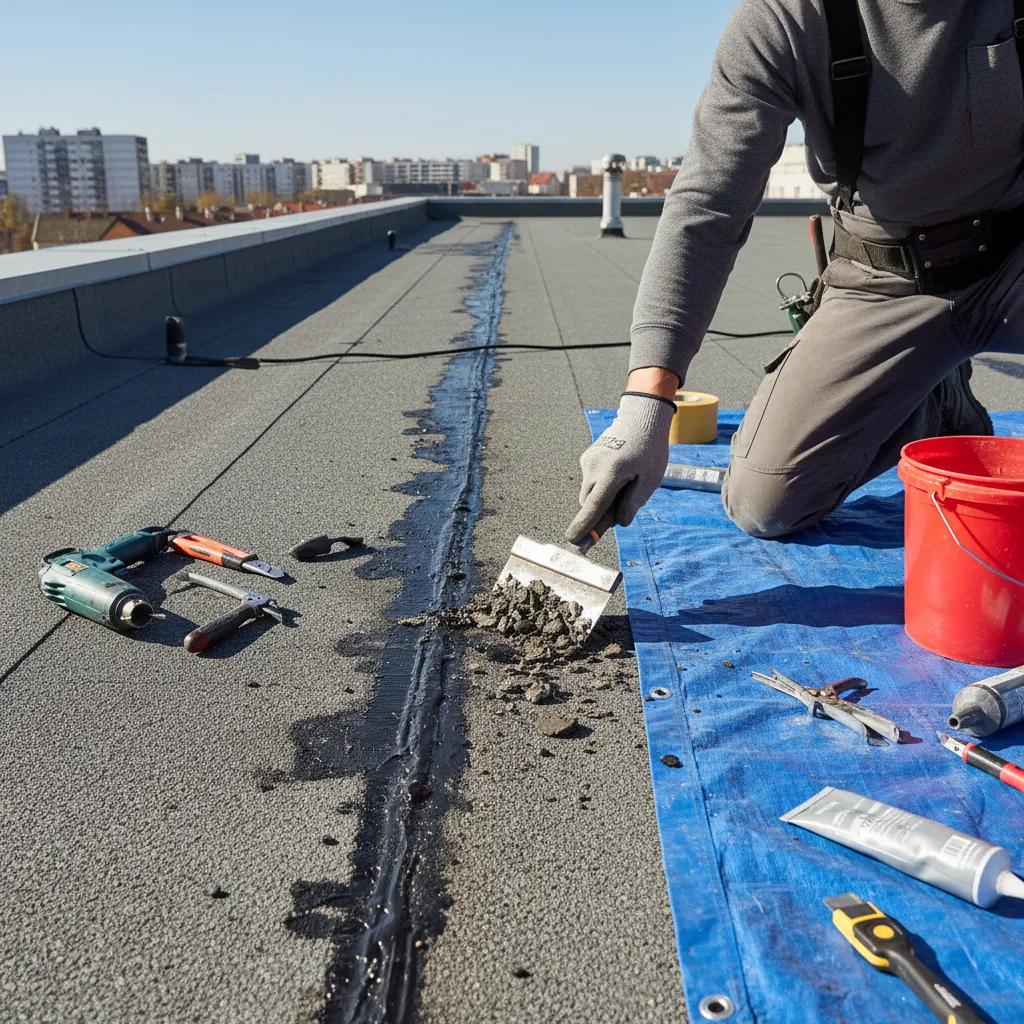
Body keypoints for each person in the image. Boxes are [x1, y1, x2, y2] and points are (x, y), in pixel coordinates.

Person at [566, 0, 1024, 547]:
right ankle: (936, 399)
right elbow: (708, 206)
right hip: (887, 282)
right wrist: (646, 408)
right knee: (766, 501)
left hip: (1013, 262)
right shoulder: (786, 17)